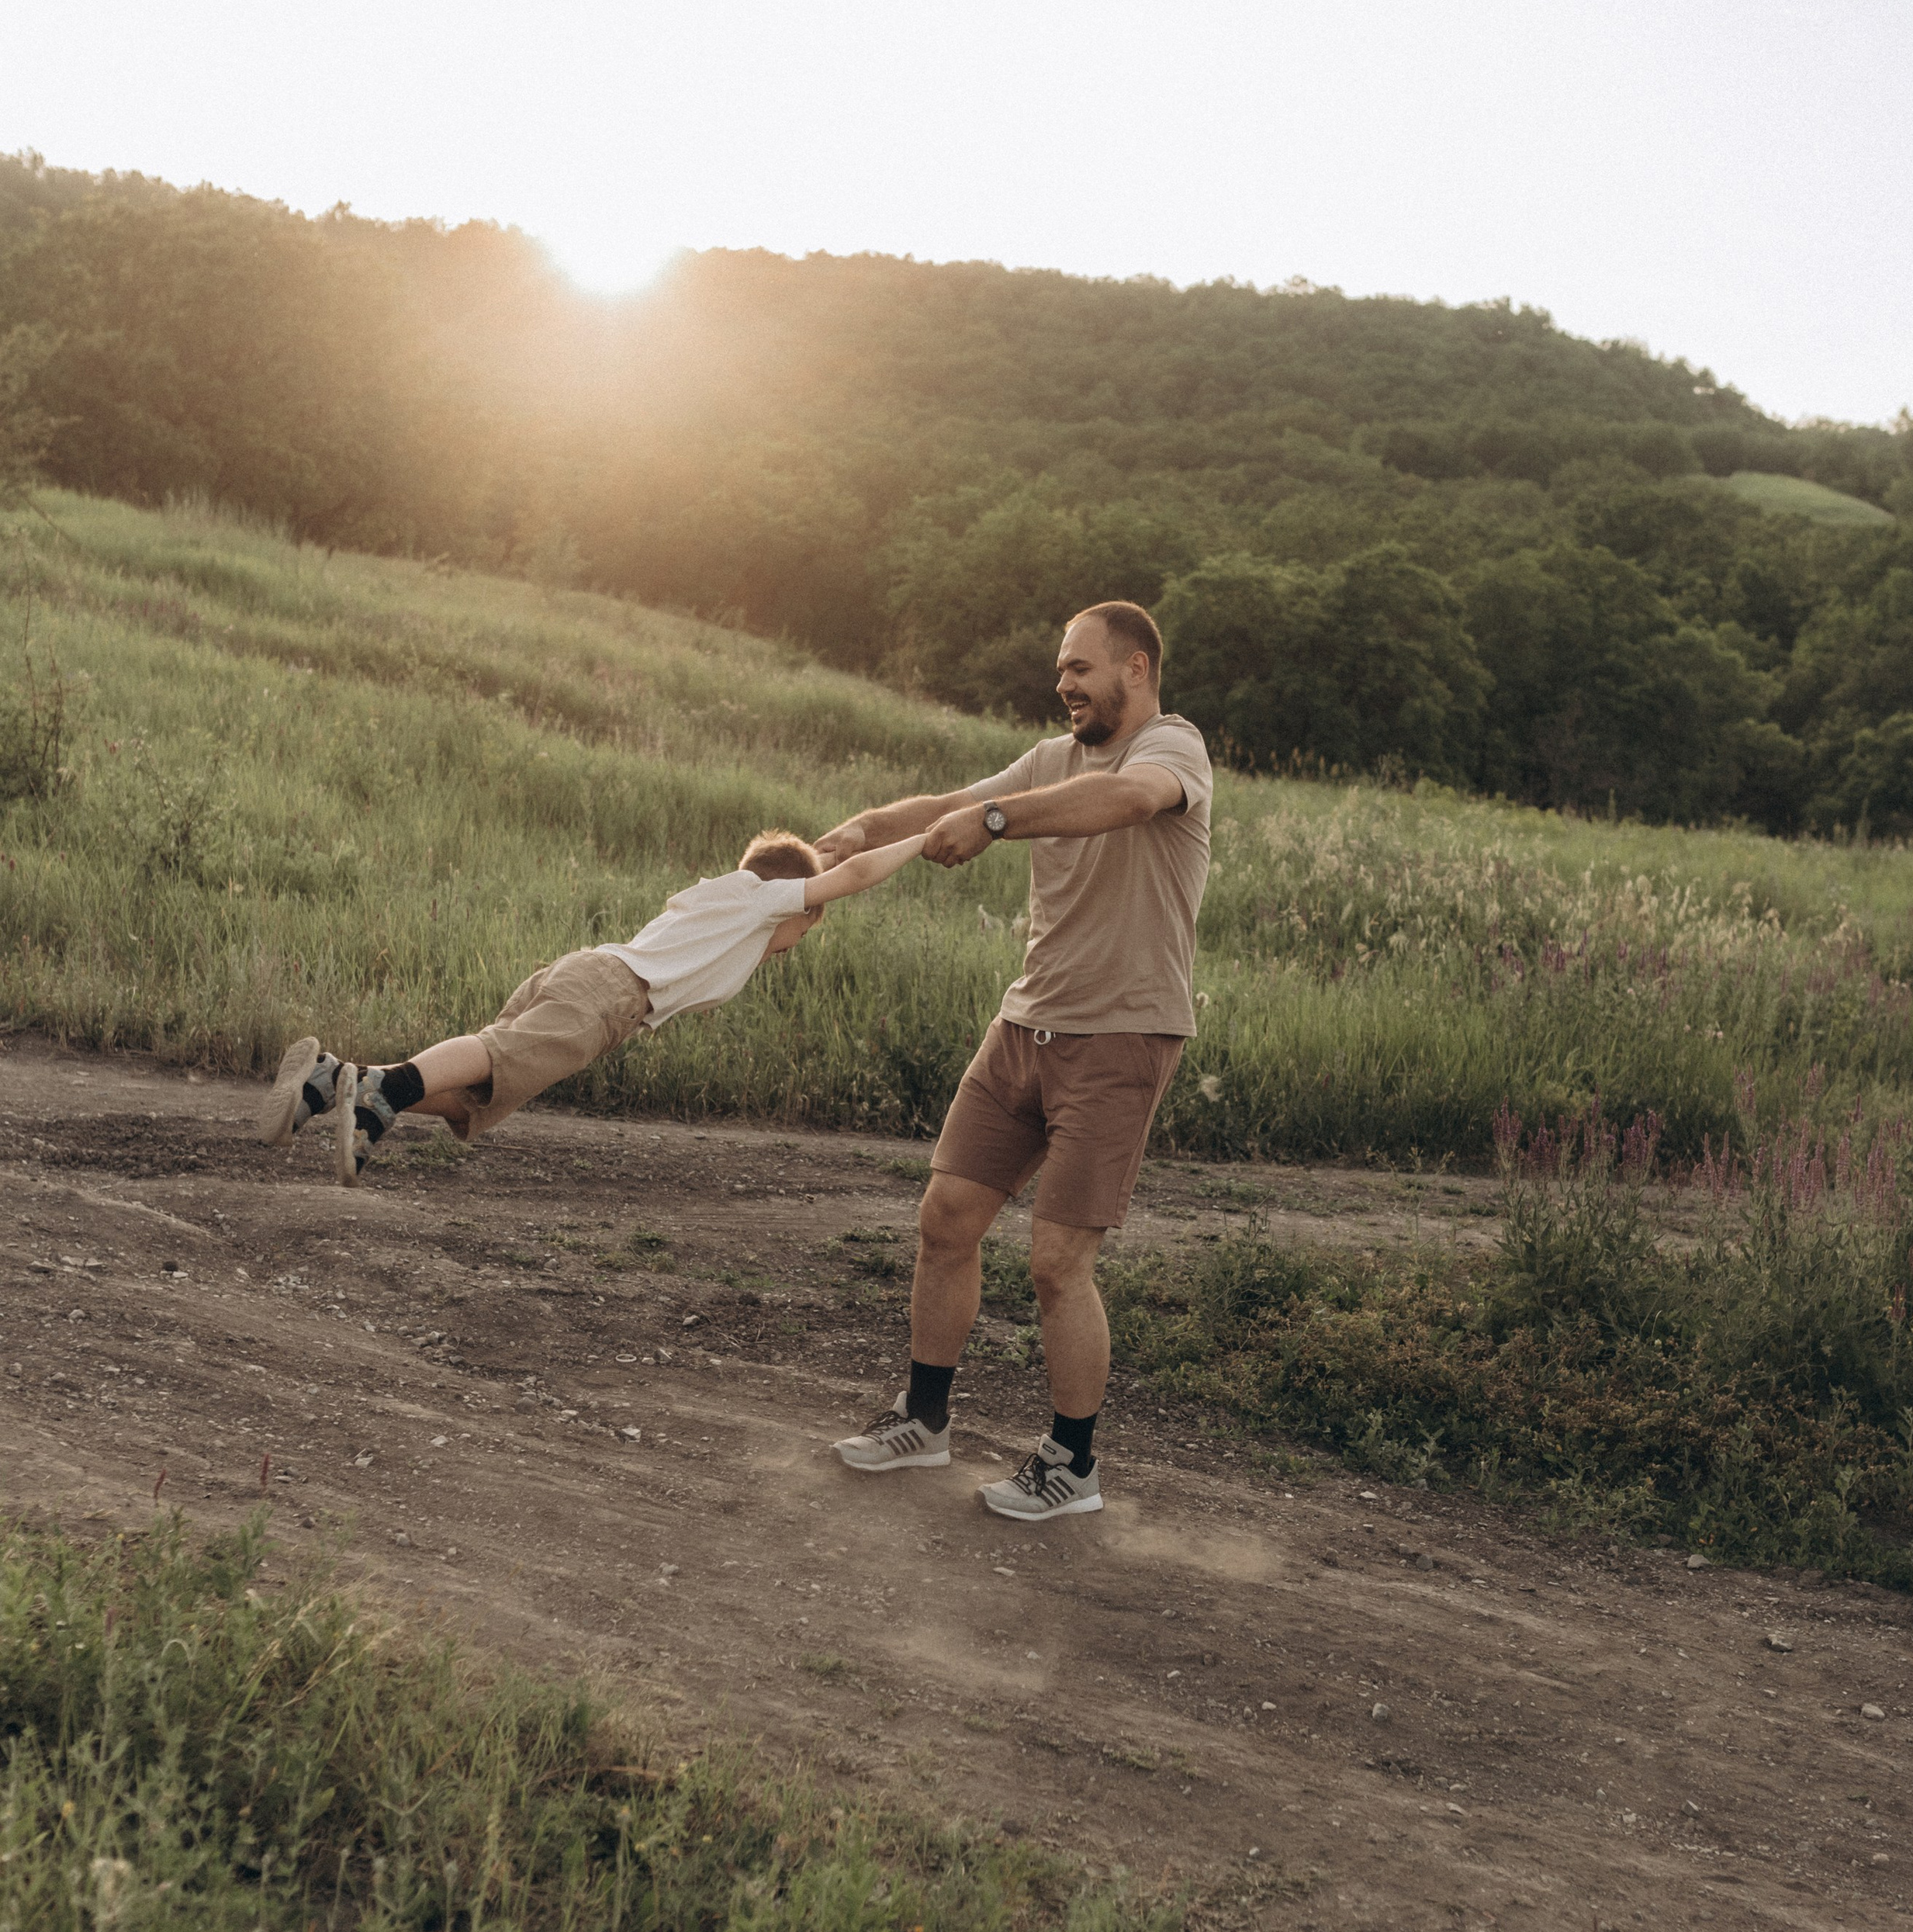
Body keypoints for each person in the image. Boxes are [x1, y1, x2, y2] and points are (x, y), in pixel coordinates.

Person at [817, 600, 1212, 1523]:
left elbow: (1125, 802)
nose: (1065, 682)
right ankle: (924, 1421)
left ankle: (1071, 1465)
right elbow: (951, 806)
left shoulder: (1172, 747)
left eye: (1082, 666)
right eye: (1061, 669)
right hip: (1024, 1026)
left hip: (1121, 1035)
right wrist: (862, 827)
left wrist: (997, 820)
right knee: (946, 1215)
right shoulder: (1049, 759)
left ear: (1137, 668)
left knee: (1056, 1260)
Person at [258, 827, 922, 1184]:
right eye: (801, 932)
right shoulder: (758, 898)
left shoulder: (740, 906)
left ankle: (331, 1082)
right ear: (790, 901)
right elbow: (846, 876)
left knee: (479, 1095)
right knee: (497, 1055)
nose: (791, 947)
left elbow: (819, 859)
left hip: (599, 987)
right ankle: (376, 1089)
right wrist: (927, 837)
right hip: (610, 994)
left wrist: (838, 841)